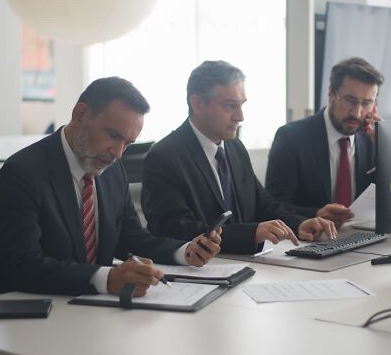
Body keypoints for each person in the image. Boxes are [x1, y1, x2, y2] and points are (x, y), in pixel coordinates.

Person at [0, 77, 221, 298]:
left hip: (86, 309)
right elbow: (23, 266)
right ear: (80, 113)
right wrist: (107, 278)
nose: (118, 153)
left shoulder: (112, 171)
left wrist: (184, 251)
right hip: (23, 313)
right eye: (113, 135)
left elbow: (132, 238)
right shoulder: (23, 172)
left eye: (127, 143)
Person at [141, 60, 336, 255]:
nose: (240, 116)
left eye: (241, 105)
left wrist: (299, 224)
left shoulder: (235, 147)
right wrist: (251, 233)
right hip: (200, 271)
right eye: (230, 106)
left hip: (246, 265)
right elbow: (175, 229)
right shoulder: (164, 157)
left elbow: (264, 205)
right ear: (197, 104)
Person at [266, 57, 384, 228]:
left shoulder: (372, 139)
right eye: (350, 101)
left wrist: (386, 146)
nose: (357, 112)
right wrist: (315, 214)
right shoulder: (291, 137)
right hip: (310, 240)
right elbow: (273, 206)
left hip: (360, 236)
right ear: (330, 94)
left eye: (366, 103)